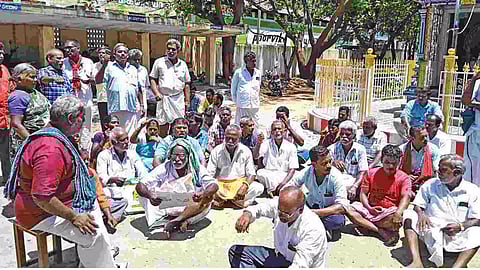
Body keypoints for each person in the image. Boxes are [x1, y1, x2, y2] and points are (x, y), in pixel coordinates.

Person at [4, 95, 121, 267]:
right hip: (39, 212)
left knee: (97, 210)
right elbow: (42, 197)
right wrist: (73, 217)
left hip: (61, 201)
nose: (82, 124)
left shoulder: (58, 135)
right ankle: (101, 261)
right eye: (81, 119)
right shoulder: (50, 150)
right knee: (92, 233)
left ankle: (99, 259)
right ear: (71, 119)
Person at [403, 155, 480, 267]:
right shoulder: (431, 184)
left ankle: (458, 266)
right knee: (409, 215)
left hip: (457, 235)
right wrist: (421, 214)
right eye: (438, 168)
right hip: (431, 230)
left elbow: (477, 219)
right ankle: (416, 261)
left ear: (457, 172)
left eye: (443, 170)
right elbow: (418, 205)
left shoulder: (472, 190)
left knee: (477, 232)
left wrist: (460, 226)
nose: (438, 172)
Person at [136, 139, 219, 236]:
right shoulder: (166, 167)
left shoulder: (196, 168)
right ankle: (168, 222)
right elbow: (140, 185)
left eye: (181, 156)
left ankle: (179, 220)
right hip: (168, 206)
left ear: (188, 156)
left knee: (209, 197)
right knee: (143, 194)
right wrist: (150, 196)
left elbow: (213, 185)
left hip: (190, 207)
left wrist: (202, 194)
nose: (177, 159)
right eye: (174, 155)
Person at [229, 186, 327, 268]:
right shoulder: (282, 206)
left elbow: (299, 266)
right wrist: (247, 215)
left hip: (299, 265)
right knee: (236, 252)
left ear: (300, 210)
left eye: (287, 213)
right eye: (280, 210)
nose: (281, 215)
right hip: (280, 257)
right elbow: (258, 208)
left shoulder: (313, 229)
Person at [347, 144, 410, 246]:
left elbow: (405, 198)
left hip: (388, 212)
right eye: (387, 162)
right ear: (381, 160)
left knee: (397, 220)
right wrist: (369, 207)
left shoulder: (404, 178)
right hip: (370, 209)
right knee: (349, 210)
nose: (390, 166)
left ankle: (366, 225)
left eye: (394, 163)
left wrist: (398, 213)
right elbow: (363, 193)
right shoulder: (371, 173)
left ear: (399, 162)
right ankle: (380, 231)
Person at [289, 145, 349, 242]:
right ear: (314, 165)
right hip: (312, 205)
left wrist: (314, 213)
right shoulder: (307, 172)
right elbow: (291, 187)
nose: (329, 165)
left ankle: (309, 226)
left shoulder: (336, 176)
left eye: (330, 161)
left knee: (338, 221)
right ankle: (319, 229)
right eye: (324, 163)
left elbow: (342, 206)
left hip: (328, 211)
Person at [96, 127, 148, 222]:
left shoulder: (132, 154)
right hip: (112, 192)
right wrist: (112, 179)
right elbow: (101, 176)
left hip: (131, 190)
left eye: (127, 138)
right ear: (114, 142)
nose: (127, 142)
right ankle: (111, 217)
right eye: (122, 140)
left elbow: (142, 172)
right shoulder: (104, 155)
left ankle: (113, 217)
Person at [207, 125, 264, 209]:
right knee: (204, 187)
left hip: (239, 186)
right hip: (221, 186)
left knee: (258, 187)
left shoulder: (245, 150)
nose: (230, 141)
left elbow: (251, 174)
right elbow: (209, 174)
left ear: (239, 138)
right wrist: (215, 191)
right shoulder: (216, 151)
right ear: (224, 137)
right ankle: (236, 202)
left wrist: (244, 187)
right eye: (227, 138)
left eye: (233, 139)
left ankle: (225, 203)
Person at [8, 63, 50, 160]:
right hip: (28, 144)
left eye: (36, 77)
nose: (35, 80)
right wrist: (32, 142)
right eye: (32, 77)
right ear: (19, 79)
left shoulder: (32, 92)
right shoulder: (18, 97)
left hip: (41, 140)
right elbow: (16, 124)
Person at [150, 39, 191, 138]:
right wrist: (156, 94)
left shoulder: (183, 64)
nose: (170, 51)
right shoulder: (159, 62)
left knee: (178, 124)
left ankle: (177, 145)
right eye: (168, 49)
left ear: (178, 51)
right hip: (163, 97)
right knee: (162, 123)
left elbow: (187, 83)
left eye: (173, 49)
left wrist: (187, 100)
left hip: (178, 99)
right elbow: (152, 79)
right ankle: (163, 144)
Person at [104, 43, 143, 137]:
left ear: (128, 55)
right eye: (119, 52)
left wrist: (141, 105)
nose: (122, 54)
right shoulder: (109, 68)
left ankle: (129, 151)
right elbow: (102, 85)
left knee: (130, 134)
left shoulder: (133, 69)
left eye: (125, 52)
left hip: (131, 107)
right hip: (115, 107)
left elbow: (138, 88)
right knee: (117, 133)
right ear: (114, 54)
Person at [62, 39, 95, 153]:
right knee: (71, 125)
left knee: (86, 127)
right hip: (70, 100)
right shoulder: (63, 63)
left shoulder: (88, 62)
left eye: (71, 48)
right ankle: (72, 149)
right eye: (66, 48)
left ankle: (85, 150)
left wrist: (89, 80)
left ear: (78, 48)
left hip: (85, 100)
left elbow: (95, 79)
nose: (68, 50)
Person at [328, 120, 368, 201]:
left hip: (353, 183)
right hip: (336, 182)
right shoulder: (332, 148)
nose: (344, 137)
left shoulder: (360, 149)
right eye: (341, 134)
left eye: (348, 134)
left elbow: (363, 171)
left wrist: (354, 187)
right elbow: (323, 166)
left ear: (354, 136)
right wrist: (332, 163)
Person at [257, 120, 299, 196]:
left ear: (284, 131)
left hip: (284, 175)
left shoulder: (291, 146)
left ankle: (274, 190)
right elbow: (259, 159)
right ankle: (277, 191)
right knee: (260, 173)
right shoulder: (265, 144)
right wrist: (258, 144)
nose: (277, 131)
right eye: (274, 129)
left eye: (279, 129)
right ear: (271, 132)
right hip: (269, 174)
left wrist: (283, 183)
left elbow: (292, 169)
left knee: (295, 178)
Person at [399, 125, 440, 195]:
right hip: (405, 182)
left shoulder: (433, 149)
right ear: (412, 138)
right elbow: (396, 170)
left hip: (425, 183)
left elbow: (436, 171)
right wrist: (405, 176)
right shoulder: (402, 149)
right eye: (422, 137)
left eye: (426, 136)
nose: (426, 139)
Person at [231, 51, 261, 126]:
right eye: (252, 61)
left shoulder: (258, 73)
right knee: (241, 125)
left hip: (254, 105)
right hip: (242, 105)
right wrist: (237, 102)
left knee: (255, 125)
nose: (254, 63)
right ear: (246, 62)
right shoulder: (239, 72)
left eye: (255, 61)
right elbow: (233, 89)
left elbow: (258, 88)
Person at [462, 71, 480, 186]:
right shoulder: (478, 82)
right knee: (471, 165)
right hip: (476, 130)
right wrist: (474, 79)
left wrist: (475, 104)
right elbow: (466, 100)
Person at [0, 43, 11, 185]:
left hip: (4, 120)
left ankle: (8, 179)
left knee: (6, 153)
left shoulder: (4, 70)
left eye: (1, 51)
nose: (1, 55)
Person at [93, 46, 111, 131]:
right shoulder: (95, 66)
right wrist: (104, 65)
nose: (101, 55)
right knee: (104, 119)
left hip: (113, 97)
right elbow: (96, 79)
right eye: (99, 53)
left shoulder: (113, 65)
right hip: (102, 96)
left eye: (103, 53)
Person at [129, 48, 149, 118]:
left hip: (143, 99)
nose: (137, 61)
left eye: (139, 59)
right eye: (135, 60)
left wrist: (143, 103)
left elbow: (146, 86)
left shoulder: (143, 70)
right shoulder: (126, 70)